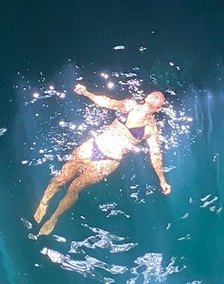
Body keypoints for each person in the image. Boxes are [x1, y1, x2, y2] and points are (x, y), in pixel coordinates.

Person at [33, 84, 172, 236]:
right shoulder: (130, 105)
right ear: (146, 96)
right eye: (154, 93)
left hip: (109, 160)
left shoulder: (151, 129)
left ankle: (54, 217)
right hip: (92, 146)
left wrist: (162, 180)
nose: (156, 95)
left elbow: (155, 154)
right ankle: (44, 201)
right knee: (61, 178)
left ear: (160, 107)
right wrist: (87, 93)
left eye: (160, 97)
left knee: (75, 187)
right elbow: (108, 102)